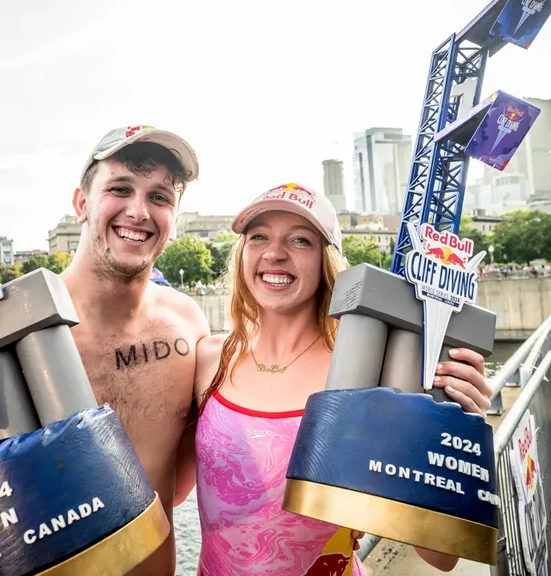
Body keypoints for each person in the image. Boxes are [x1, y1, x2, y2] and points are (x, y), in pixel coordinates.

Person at [0, 125, 212, 575]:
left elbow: (179, 485)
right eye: (120, 189)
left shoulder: (188, 322)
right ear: (82, 204)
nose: (139, 211)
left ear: (174, 222)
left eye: (160, 197)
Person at [176, 183, 490, 575]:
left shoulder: (365, 376)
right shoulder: (209, 359)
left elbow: (440, 557)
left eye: (300, 240)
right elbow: (171, 493)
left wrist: (457, 438)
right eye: (259, 237)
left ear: (326, 263)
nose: (274, 253)